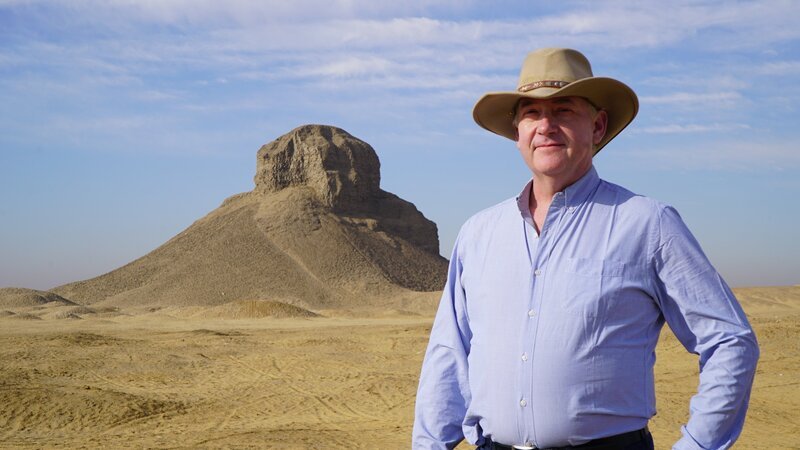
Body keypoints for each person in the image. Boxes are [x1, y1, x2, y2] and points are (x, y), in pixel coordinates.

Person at [412, 48, 759, 450]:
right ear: (518, 132)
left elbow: (730, 340)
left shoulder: (647, 224)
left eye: (563, 111)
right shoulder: (478, 233)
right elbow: (448, 354)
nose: (546, 126)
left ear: (597, 127)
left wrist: (697, 444)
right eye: (531, 113)